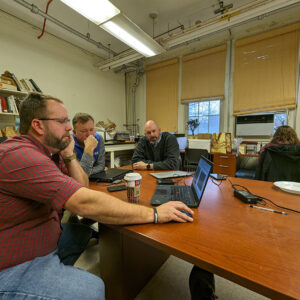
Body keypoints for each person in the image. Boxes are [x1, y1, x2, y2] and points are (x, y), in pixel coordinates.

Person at [0, 93, 193, 300]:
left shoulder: (51, 154)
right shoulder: (20, 154)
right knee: (91, 289)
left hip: (45, 234)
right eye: (63, 121)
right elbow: (83, 201)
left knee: (82, 233)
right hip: (14, 263)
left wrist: (69, 156)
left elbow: (81, 185)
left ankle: (54, 276)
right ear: (38, 126)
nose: (68, 128)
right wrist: (154, 213)